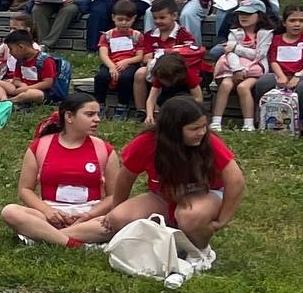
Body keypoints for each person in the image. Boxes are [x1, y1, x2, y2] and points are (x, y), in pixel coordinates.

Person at [98, 97, 244, 252]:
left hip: (205, 193)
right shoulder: (146, 142)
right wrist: (115, 208)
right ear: (173, 129)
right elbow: (126, 177)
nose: (202, 132)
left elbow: (236, 181)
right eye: (194, 129)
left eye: (204, 126)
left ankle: (199, 252)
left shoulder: (210, 141)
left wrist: (222, 220)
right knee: (118, 219)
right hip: (163, 195)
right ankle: (168, 243)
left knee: (190, 217)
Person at [0, 95, 120, 247]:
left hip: (90, 212)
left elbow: (114, 196)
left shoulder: (104, 149)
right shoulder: (40, 146)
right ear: (69, 116)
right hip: (49, 212)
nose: (97, 119)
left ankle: (47, 236)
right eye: (90, 114)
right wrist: (48, 211)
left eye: (97, 114)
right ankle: (77, 243)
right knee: (10, 212)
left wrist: (89, 215)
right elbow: (25, 189)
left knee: (119, 219)